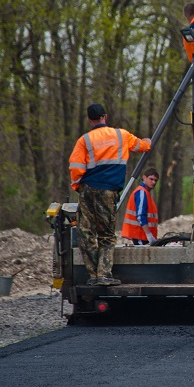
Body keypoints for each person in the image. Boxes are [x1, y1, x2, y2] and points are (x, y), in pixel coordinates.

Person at [69, 104, 151, 286]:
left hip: (88, 189)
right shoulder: (122, 135)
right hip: (109, 191)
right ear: (105, 116)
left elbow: (76, 168)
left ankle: (93, 275)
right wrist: (148, 142)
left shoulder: (84, 140)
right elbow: (142, 146)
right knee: (106, 234)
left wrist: (78, 187)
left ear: (90, 120)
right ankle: (104, 274)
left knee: (86, 233)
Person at [123, 167, 160, 246]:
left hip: (142, 235)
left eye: (155, 180)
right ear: (144, 177)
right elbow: (140, 215)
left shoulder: (145, 193)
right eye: (151, 179)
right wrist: (149, 235)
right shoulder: (142, 192)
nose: (153, 182)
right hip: (140, 235)